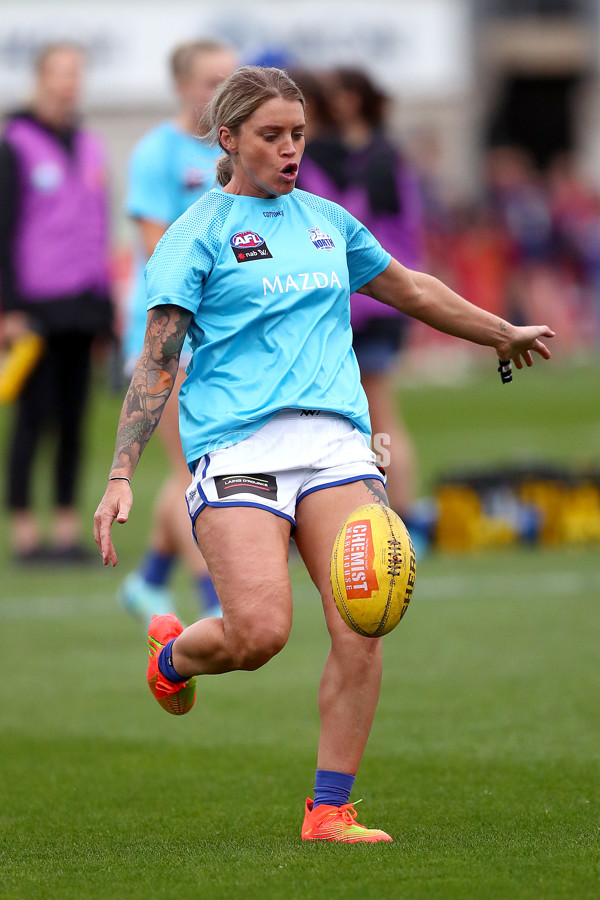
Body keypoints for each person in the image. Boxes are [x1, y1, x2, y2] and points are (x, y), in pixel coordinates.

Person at [94, 66, 553, 843]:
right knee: (259, 634)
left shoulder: (327, 222)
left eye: (298, 135)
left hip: (339, 444)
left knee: (362, 619)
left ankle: (329, 809)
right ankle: (173, 655)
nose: (289, 149)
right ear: (229, 138)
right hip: (238, 447)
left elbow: (410, 287)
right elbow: (157, 360)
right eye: (271, 136)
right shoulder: (194, 235)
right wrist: (120, 474)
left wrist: (498, 330)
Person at [118, 40, 237, 624]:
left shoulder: (236, 149)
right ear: (184, 85)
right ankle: (213, 600)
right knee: (194, 471)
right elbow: (156, 249)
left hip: (220, 334)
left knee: (199, 466)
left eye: (232, 76)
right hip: (172, 334)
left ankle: (150, 579)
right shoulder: (157, 153)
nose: (223, 87)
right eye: (213, 78)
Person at [294, 67, 424, 522]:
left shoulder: (317, 159)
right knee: (380, 413)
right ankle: (398, 512)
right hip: (387, 293)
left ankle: (388, 512)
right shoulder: (387, 153)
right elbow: (410, 226)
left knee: (360, 416)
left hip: (346, 300)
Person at [0, 42, 113, 563]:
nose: (68, 82)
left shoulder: (90, 145)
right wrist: (8, 306)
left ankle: (68, 533)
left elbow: (99, 227)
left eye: (76, 73)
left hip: (83, 303)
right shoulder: (15, 143)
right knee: (32, 419)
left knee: (74, 420)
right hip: (34, 306)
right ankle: (26, 533)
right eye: (59, 73)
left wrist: (107, 304)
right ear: (40, 77)